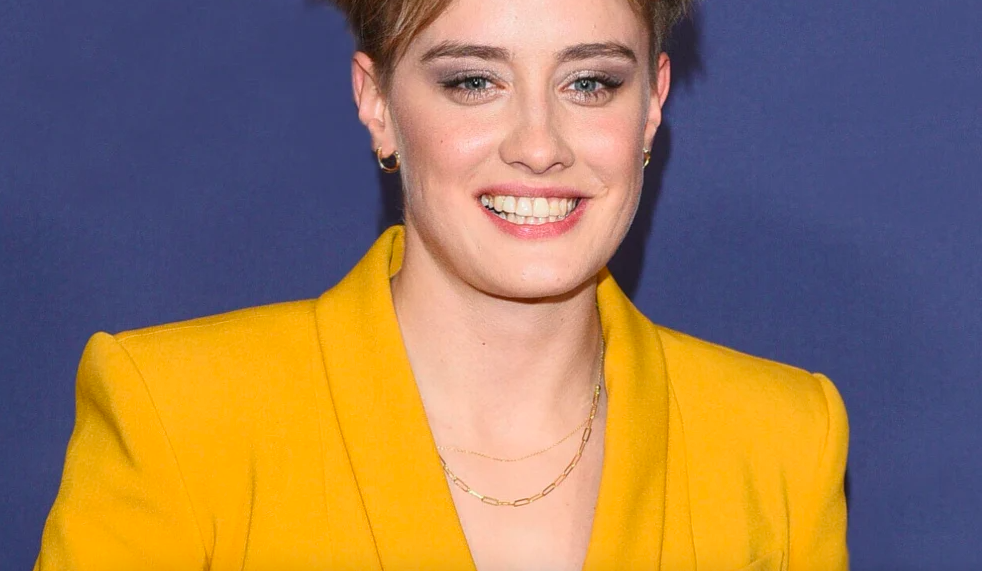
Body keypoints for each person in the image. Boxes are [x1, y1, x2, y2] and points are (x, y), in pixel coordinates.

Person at [34, 0, 849, 568]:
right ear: (377, 102)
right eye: (473, 81)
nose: (539, 144)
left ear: (652, 103)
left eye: (590, 82)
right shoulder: (178, 418)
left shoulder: (782, 442)